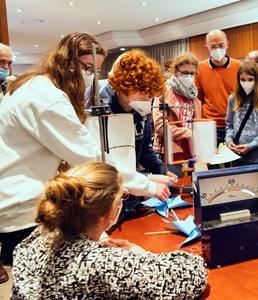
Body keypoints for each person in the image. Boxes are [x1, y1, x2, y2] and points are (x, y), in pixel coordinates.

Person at [0, 32, 170, 269]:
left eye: (95, 70)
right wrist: (147, 185)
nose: (91, 77)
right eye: (88, 68)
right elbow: (90, 156)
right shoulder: (47, 99)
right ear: (68, 61)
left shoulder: (32, 86)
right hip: (22, 209)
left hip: (20, 201)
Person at [11, 162, 208, 299]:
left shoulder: (32, 242)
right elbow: (195, 272)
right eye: (123, 196)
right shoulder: (102, 264)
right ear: (108, 211)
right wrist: (139, 255)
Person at [86, 49, 176, 183]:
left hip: (133, 178)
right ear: (124, 89)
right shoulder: (101, 102)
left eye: (150, 96)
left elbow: (144, 147)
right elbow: (102, 158)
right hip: (107, 181)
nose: (146, 100)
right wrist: (146, 177)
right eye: (142, 95)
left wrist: (162, 170)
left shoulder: (141, 107)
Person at [195, 29, 241, 145]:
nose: (217, 49)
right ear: (207, 48)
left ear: (227, 44)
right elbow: (198, 100)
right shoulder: (200, 69)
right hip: (210, 125)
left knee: (236, 161)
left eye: (221, 45)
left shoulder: (239, 67)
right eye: (213, 47)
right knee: (212, 161)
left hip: (235, 124)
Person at [225, 61, 258, 165]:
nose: (246, 83)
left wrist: (251, 146)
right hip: (236, 156)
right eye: (243, 80)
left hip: (257, 157)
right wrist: (229, 141)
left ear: (257, 80)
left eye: (250, 80)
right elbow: (229, 125)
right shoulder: (233, 99)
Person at [153, 53, 199, 162]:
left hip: (192, 152)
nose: (188, 77)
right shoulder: (163, 93)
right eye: (184, 73)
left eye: (192, 73)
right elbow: (160, 127)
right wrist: (187, 133)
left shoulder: (194, 96)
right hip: (171, 151)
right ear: (175, 71)